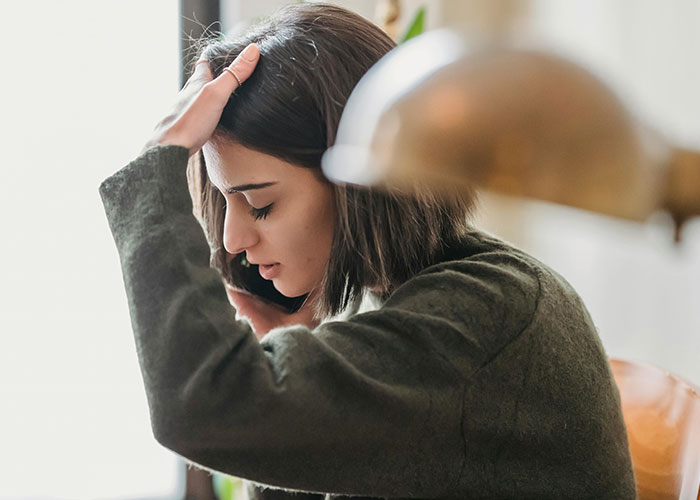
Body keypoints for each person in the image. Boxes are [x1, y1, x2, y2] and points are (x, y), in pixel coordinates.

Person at [99, 3, 636, 499]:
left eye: (260, 205)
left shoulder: (486, 316)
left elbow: (203, 406)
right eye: (226, 203)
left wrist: (156, 168)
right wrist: (291, 349)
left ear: (355, 185)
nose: (234, 242)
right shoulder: (411, 293)